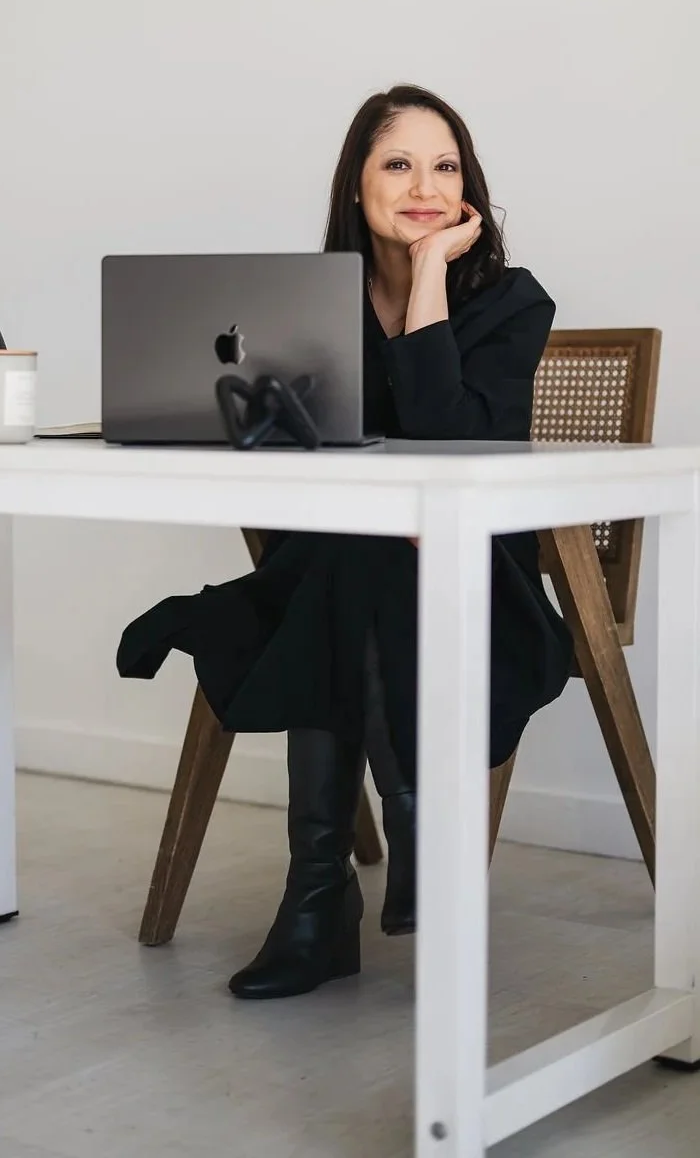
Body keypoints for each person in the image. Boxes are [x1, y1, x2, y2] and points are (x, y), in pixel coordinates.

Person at [117, 85, 573, 1000]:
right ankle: (410, 839)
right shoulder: (309, 306)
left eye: (445, 166)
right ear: (355, 186)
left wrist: (433, 274)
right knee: (360, 549)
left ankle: (319, 903)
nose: (425, 187)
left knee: (353, 558)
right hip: (347, 567)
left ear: (469, 188)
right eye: (398, 164)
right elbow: (288, 462)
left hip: (483, 586)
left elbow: (450, 439)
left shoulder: (514, 303)